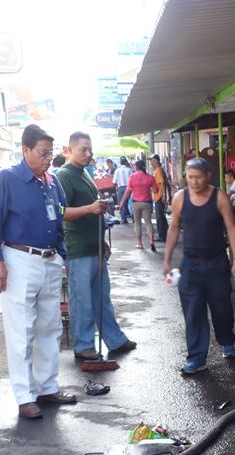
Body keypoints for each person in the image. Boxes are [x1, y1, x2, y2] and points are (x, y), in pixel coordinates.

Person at [0, 124, 76, 420]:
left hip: (48, 260)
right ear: (26, 151)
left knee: (50, 326)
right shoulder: (7, 180)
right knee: (22, 330)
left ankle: (47, 387)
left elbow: (58, 216)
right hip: (19, 258)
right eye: (43, 153)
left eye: (51, 153)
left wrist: (62, 253)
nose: (49, 158)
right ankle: (25, 395)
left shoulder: (51, 182)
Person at [56, 131, 137, 362]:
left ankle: (114, 339)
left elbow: (93, 210)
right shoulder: (65, 175)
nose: (88, 154)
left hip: (95, 246)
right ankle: (83, 345)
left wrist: (101, 239)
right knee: (82, 299)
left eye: (90, 149)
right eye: (83, 149)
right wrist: (89, 209)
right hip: (78, 247)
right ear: (70, 150)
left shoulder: (85, 174)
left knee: (102, 297)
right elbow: (60, 212)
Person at [162, 158, 235, 375]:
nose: (194, 181)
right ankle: (197, 358)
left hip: (216, 263)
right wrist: (167, 260)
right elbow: (174, 229)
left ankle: (226, 341)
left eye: (198, 177)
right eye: (190, 177)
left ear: (208, 176)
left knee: (222, 307)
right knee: (193, 311)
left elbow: (231, 228)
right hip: (190, 265)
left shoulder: (220, 197)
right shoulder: (179, 198)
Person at [118, 159, 158, 251]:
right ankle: (151, 241)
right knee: (148, 223)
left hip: (136, 203)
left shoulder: (132, 177)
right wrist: (149, 189)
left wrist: (122, 203)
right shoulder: (150, 177)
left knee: (137, 223)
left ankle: (139, 243)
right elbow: (155, 190)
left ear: (136, 167)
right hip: (147, 202)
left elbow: (128, 191)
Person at [151, 154, 171, 244]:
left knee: (160, 217)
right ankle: (166, 234)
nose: (151, 162)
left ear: (155, 161)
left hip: (159, 197)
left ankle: (162, 236)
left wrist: (163, 196)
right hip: (158, 196)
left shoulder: (158, 171)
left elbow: (162, 183)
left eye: (151, 160)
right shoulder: (159, 170)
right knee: (161, 217)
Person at [113, 157, 133, 224]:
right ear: (126, 163)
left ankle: (124, 218)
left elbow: (114, 182)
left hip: (120, 188)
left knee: (122, 203)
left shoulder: (117, 170)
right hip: (129, 188)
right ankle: (133, 217)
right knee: (130, 203)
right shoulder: (129, 170)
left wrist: (115, 188)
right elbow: (133, 179)